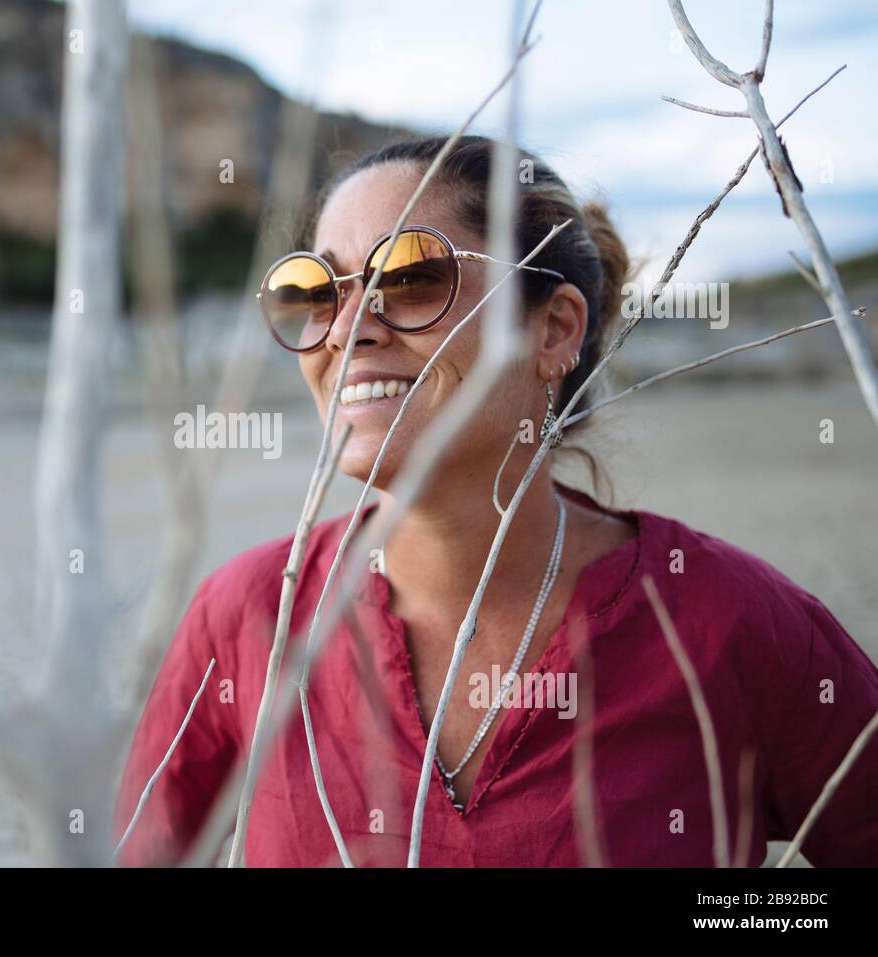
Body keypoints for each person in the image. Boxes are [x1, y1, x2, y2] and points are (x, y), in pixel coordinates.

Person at [112, 134, 878, 867]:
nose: (346, 330)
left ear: (554, 330)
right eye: (314, 292)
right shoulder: (249, 620)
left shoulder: (727, 621)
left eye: (410, 277)